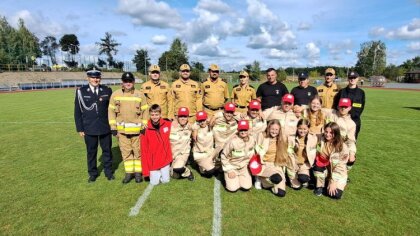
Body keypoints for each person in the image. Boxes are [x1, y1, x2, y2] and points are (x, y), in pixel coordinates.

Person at [74, 68, 114, 183]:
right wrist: (80, 128)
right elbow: (77, 111)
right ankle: (92, 173)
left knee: (107, 151)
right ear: (88, 78)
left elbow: (111, 109)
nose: (95, 79)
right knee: (91, 152)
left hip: (105, 127)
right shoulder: (81, 92)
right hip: (89, 128)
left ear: (100, 78)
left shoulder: (107, 90)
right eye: (93, 77)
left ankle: (108, 172)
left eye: (97, 77)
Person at [108, 72, 149, 184]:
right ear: (122, 82)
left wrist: (144, 125)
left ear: (133, 82)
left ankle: (137, 173)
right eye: (126, 81)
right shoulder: (115, 94)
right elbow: (111, 111)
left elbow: (145, 111)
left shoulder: (140, 95)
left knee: (137, 152)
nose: (128, 83)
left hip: (137, 131)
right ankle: (128, 173)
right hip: (122, 131)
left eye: (130, 81)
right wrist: (113, 127)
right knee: (126, 153)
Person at [254, 120, 291, 197]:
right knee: (276, 178)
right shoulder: (262, 136)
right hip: (265, 164)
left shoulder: (282, 139)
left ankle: (269, 184)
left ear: (280, 130)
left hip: (276, 165)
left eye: (276, 129)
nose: (274, 131)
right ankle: (261, 179)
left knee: (281, 193)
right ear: (268, 128)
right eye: (272, 129)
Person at [313, 122, 349, 199]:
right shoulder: (320, 139)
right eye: (326, 131)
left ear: (336, 133)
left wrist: (333, 181)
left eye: (331, 132)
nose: (327, 134)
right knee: (317, 166)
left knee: (335, 195)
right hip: (325, 169)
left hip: (337, 172)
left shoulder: (343, 147)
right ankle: (319, 186)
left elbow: (341, 166)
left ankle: (335, 183)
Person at [140, 104, 172, 185]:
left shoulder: (167, 124)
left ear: (160, 114)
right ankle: (158, 174)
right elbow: (143, 150)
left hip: (165, 159)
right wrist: (146, 172)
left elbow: (178, 123)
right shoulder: (144, 129)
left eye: (157, 114)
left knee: (166, 181)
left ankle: (167, 171)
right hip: (153, 162)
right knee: (154, 183)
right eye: (152, 115)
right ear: (149, 115)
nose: (154, 117)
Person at [221, 120, 256, 192]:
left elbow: (253, 153)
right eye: (241, 130)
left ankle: (240, 177)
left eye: (245, 130)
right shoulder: (232, 142)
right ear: (238, 130)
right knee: (232, 188)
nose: (243, 132)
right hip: (232, 166)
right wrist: (229, 170)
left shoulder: (252, 140)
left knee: (247, 186)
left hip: (244, 167)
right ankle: (226, 175)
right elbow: (223, 156)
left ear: (248, 130)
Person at [323, 98, 357, 171]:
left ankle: (344, 172)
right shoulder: (330, 113)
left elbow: (351, 141)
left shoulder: (351, 124)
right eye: (341, 106)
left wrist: (352, 153)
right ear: (338, 106)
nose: (343, 109)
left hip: (338, 147)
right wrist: (300, 107)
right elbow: (316, 107)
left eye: (345, 107)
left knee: (350, 158)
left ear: (350, 108)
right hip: (325, 145)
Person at [333, 71, 365, 139]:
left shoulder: (361, 93)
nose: (352, 79)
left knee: (352, 141)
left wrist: (353, 116)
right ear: (348, 79)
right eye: (350, 77)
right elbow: (336, 105)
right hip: (341, 120)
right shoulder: (342, 91)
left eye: (354, 77)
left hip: (354, 120)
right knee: (339, 140)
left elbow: (361, 107)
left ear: (357, 79)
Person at [287, 119, 318, 189]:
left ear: (308, 129)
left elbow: (313, 153)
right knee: (297, 187)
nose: (302, 131)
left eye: (305, 129)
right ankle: (290, 176)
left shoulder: (313, 138)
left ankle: (306, 176)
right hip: (293, 163)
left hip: (304, 164)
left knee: (303, 179)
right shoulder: (291, 138)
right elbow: (289, 154)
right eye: (300, 128)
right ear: (297, 128)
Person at [169, 107, 194, 181]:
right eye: (181, 116)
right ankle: (175, 166)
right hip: (172, 155)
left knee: (177, 168)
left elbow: (203, 125)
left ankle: (188, 172)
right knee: (174, 176)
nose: (183, 118)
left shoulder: (191, 127)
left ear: (188, 117)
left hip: (182, 154)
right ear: (177, 117)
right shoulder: (171, 126)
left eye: (185, 116)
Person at [192, 111, 218, 177]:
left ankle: (208, 164)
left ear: (206, 119)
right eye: (200, 121)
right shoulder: (195, 128)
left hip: (210, 153)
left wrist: (212, 118)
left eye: (204, 120)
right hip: (200, 154)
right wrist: (195, 129)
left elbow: (220, 114)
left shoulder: (210, 126)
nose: (202, 122)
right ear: (197, 121)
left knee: (219, 168)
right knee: (210, 172)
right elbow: (191, 126)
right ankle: (201, 166)